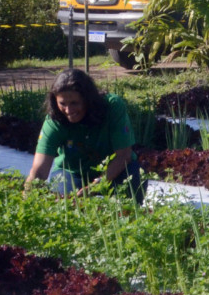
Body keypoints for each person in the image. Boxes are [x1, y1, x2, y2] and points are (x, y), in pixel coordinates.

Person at [25, 68, 145, 203]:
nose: (68, 110)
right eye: (62, 104)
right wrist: (27, 200)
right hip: (73, 173)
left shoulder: (112, 107)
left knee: (133, 181)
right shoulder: (54, 121)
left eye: (74, 103)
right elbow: (39, 170)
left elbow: (124, 155)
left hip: (117, 170)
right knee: (66, 201)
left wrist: (97, 186)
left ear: (88, 99)